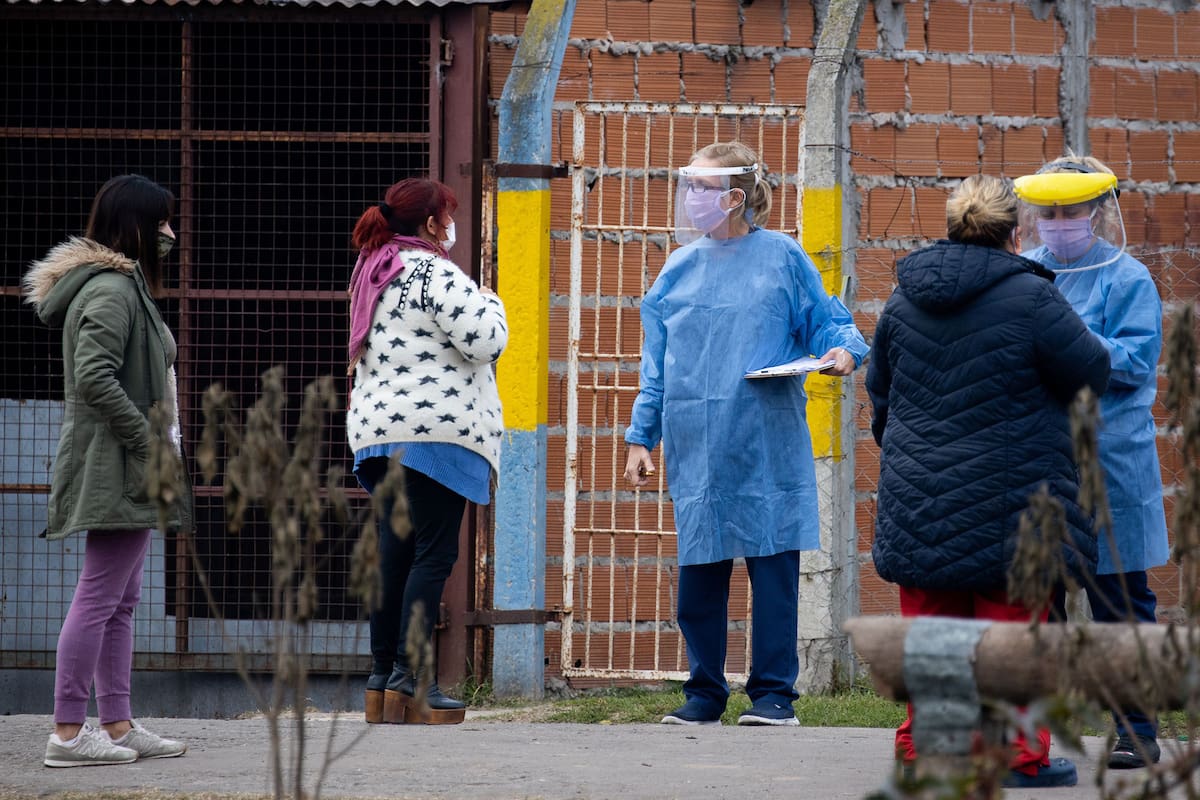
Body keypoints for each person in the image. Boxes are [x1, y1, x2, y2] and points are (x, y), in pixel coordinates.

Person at [867, 174, 1109, 788]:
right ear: (1016, 232)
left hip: (918, 497)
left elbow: (881, 397)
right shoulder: (1032, 299)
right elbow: (1091, 372)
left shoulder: (902, 300)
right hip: (1017, 500)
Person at [623, 141, 868, 728]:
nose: (691, 197)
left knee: (774, 572)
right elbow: (655, 365)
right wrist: (640, 437)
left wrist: (843, 352)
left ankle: (773, 696)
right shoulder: (676, 269)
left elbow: (829, 320)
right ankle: (704, 693)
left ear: (734, 197)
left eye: (703, 187)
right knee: (699, 577)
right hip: (698, 443)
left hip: (766, 440)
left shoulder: (782, 257)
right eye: (689, 184)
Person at [23, 174, 190, 767]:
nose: (171, 233)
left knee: (121, 600)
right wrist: (145, 442)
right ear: (136, 226)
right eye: (163, 222)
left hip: (135, 462)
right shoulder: (113, 292)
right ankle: (68, 732)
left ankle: (115, 724)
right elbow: (95, 377)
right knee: (99, 597)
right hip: (119, 461)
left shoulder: (128, 288)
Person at [1016, 155, 1170, 769]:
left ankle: (1136, 727)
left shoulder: (1128, 279)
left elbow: (1132, 362)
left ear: (1098, 211)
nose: (1057, 222)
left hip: (1111, 459)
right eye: (1047, 211)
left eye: (1070, 210)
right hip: (1041, 458)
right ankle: (1035, 738)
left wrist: (1070, 344)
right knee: (1039, 601)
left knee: (1120, 602)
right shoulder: (1025, 276)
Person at [347, 177, 507, 725]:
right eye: (448, 214)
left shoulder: (374, 268)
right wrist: (491, 301)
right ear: (434, 222)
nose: (450, 222)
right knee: (434, 553)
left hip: (378, 431)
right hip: (435, 430)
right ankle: (415, 680)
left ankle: (383, 680)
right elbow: (486, 340)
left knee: (395, 551)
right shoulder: (433, 271)